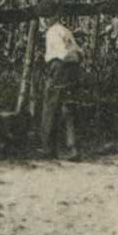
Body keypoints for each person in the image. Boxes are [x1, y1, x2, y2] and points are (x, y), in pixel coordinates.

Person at [37, 18, 82, 158]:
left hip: (60, 67)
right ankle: (71, 147)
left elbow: (64, 53)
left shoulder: (52, 32)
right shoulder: (65, 30)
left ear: (46, 18)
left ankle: (48, 148)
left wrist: (58, 65)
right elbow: (78, 52)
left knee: (50, 105)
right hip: (73, 69)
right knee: (67, 107)